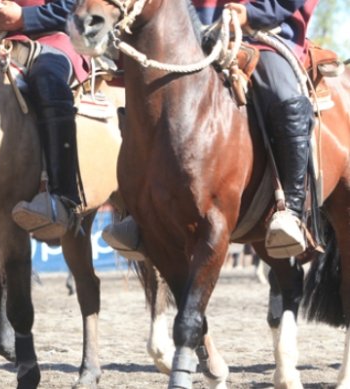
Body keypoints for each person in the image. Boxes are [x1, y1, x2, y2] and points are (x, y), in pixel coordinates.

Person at [103, 0, 317, 259]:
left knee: (284, 97)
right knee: (146, 93)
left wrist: (252, 13)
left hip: (263, 33)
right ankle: (139, 209)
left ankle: (292, 210)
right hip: (189, 31)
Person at [0, 0, 89, 240]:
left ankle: (63, 197)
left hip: (53, 39)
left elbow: (78, 7)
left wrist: (23, 17)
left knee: (46, 79)